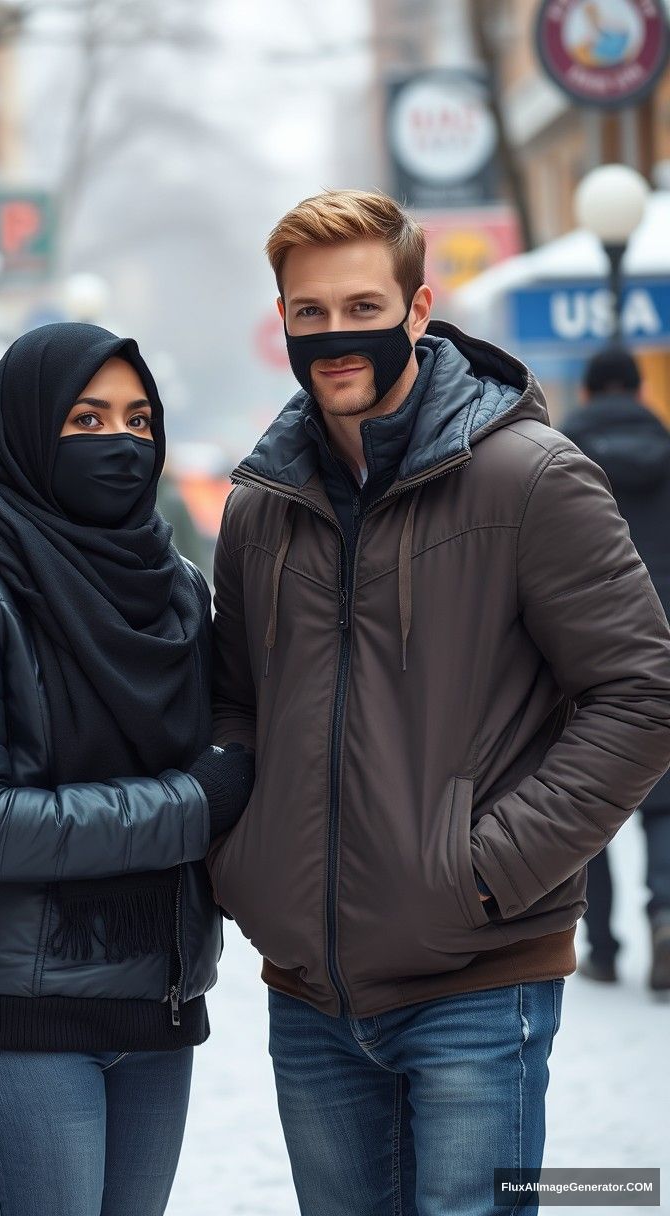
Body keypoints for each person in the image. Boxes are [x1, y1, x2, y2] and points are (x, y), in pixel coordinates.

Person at [207, 190, 670, 1216]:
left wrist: (487, 869)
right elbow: (234, 700)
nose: (336, 334)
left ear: (419, 310)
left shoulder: (530, 477)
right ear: (281, 319)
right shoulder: (259, 508)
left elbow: (640, 693)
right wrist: (251, 856)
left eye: (361, 304)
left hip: (476, 976)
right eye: (308, 312)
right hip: (310, 990)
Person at [0, 323, 254, 1216]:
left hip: (155, 1004)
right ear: (28, 429)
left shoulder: (172, 584)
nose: (120, 443)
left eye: (138, 420)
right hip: (17, 1014)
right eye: (85, 418)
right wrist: (195, 804)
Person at [560, 346, 670, 991]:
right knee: (664, 804)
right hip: (663, 645)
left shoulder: (555, 456)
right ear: (635, 388)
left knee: (585, 797)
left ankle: (600, 944)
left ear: (590, 388)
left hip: (582, 648)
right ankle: (665, 915)